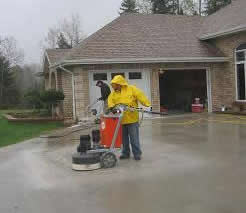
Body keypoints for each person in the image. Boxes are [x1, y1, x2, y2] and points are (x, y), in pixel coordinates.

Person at [108, 75, 151, 160]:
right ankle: (125, 153)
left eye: (115, 84)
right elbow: (110, 101)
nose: (114, 86)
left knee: (134, 138)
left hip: (132, 119)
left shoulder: (131, 89)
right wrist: (112, 108)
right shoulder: (113, 93)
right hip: (121, 119)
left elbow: (140, 95)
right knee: (124, 139)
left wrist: (147, 104)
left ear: (120, 84)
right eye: (113, 85)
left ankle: (137, 154)